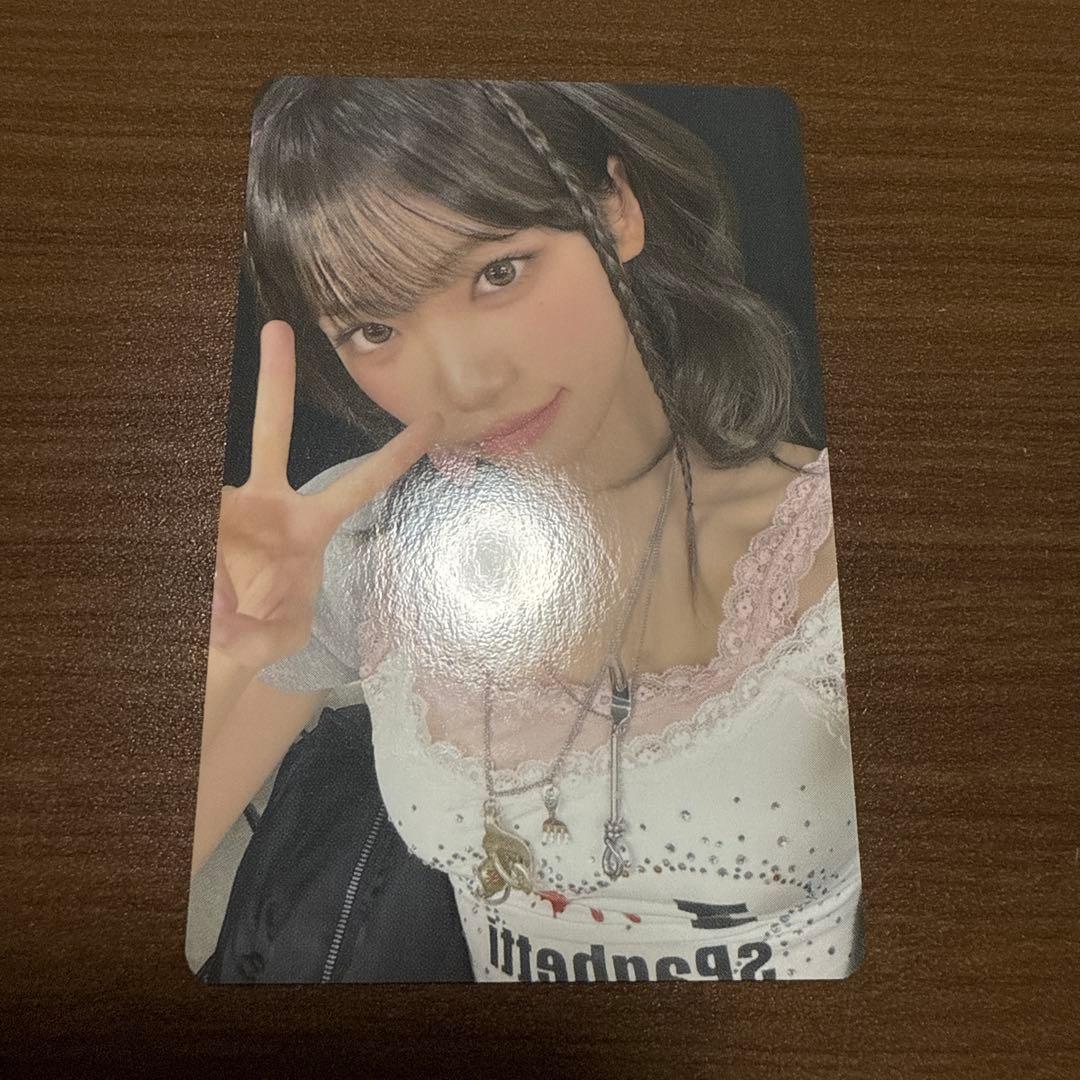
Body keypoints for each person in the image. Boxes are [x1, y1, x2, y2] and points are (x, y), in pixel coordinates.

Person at [191, 76, 863, 982]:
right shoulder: (360, 538)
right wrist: (223, 651)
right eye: (375, 328)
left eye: (498, 273)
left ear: (616, 209)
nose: (464, 383)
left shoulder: (827, 561)